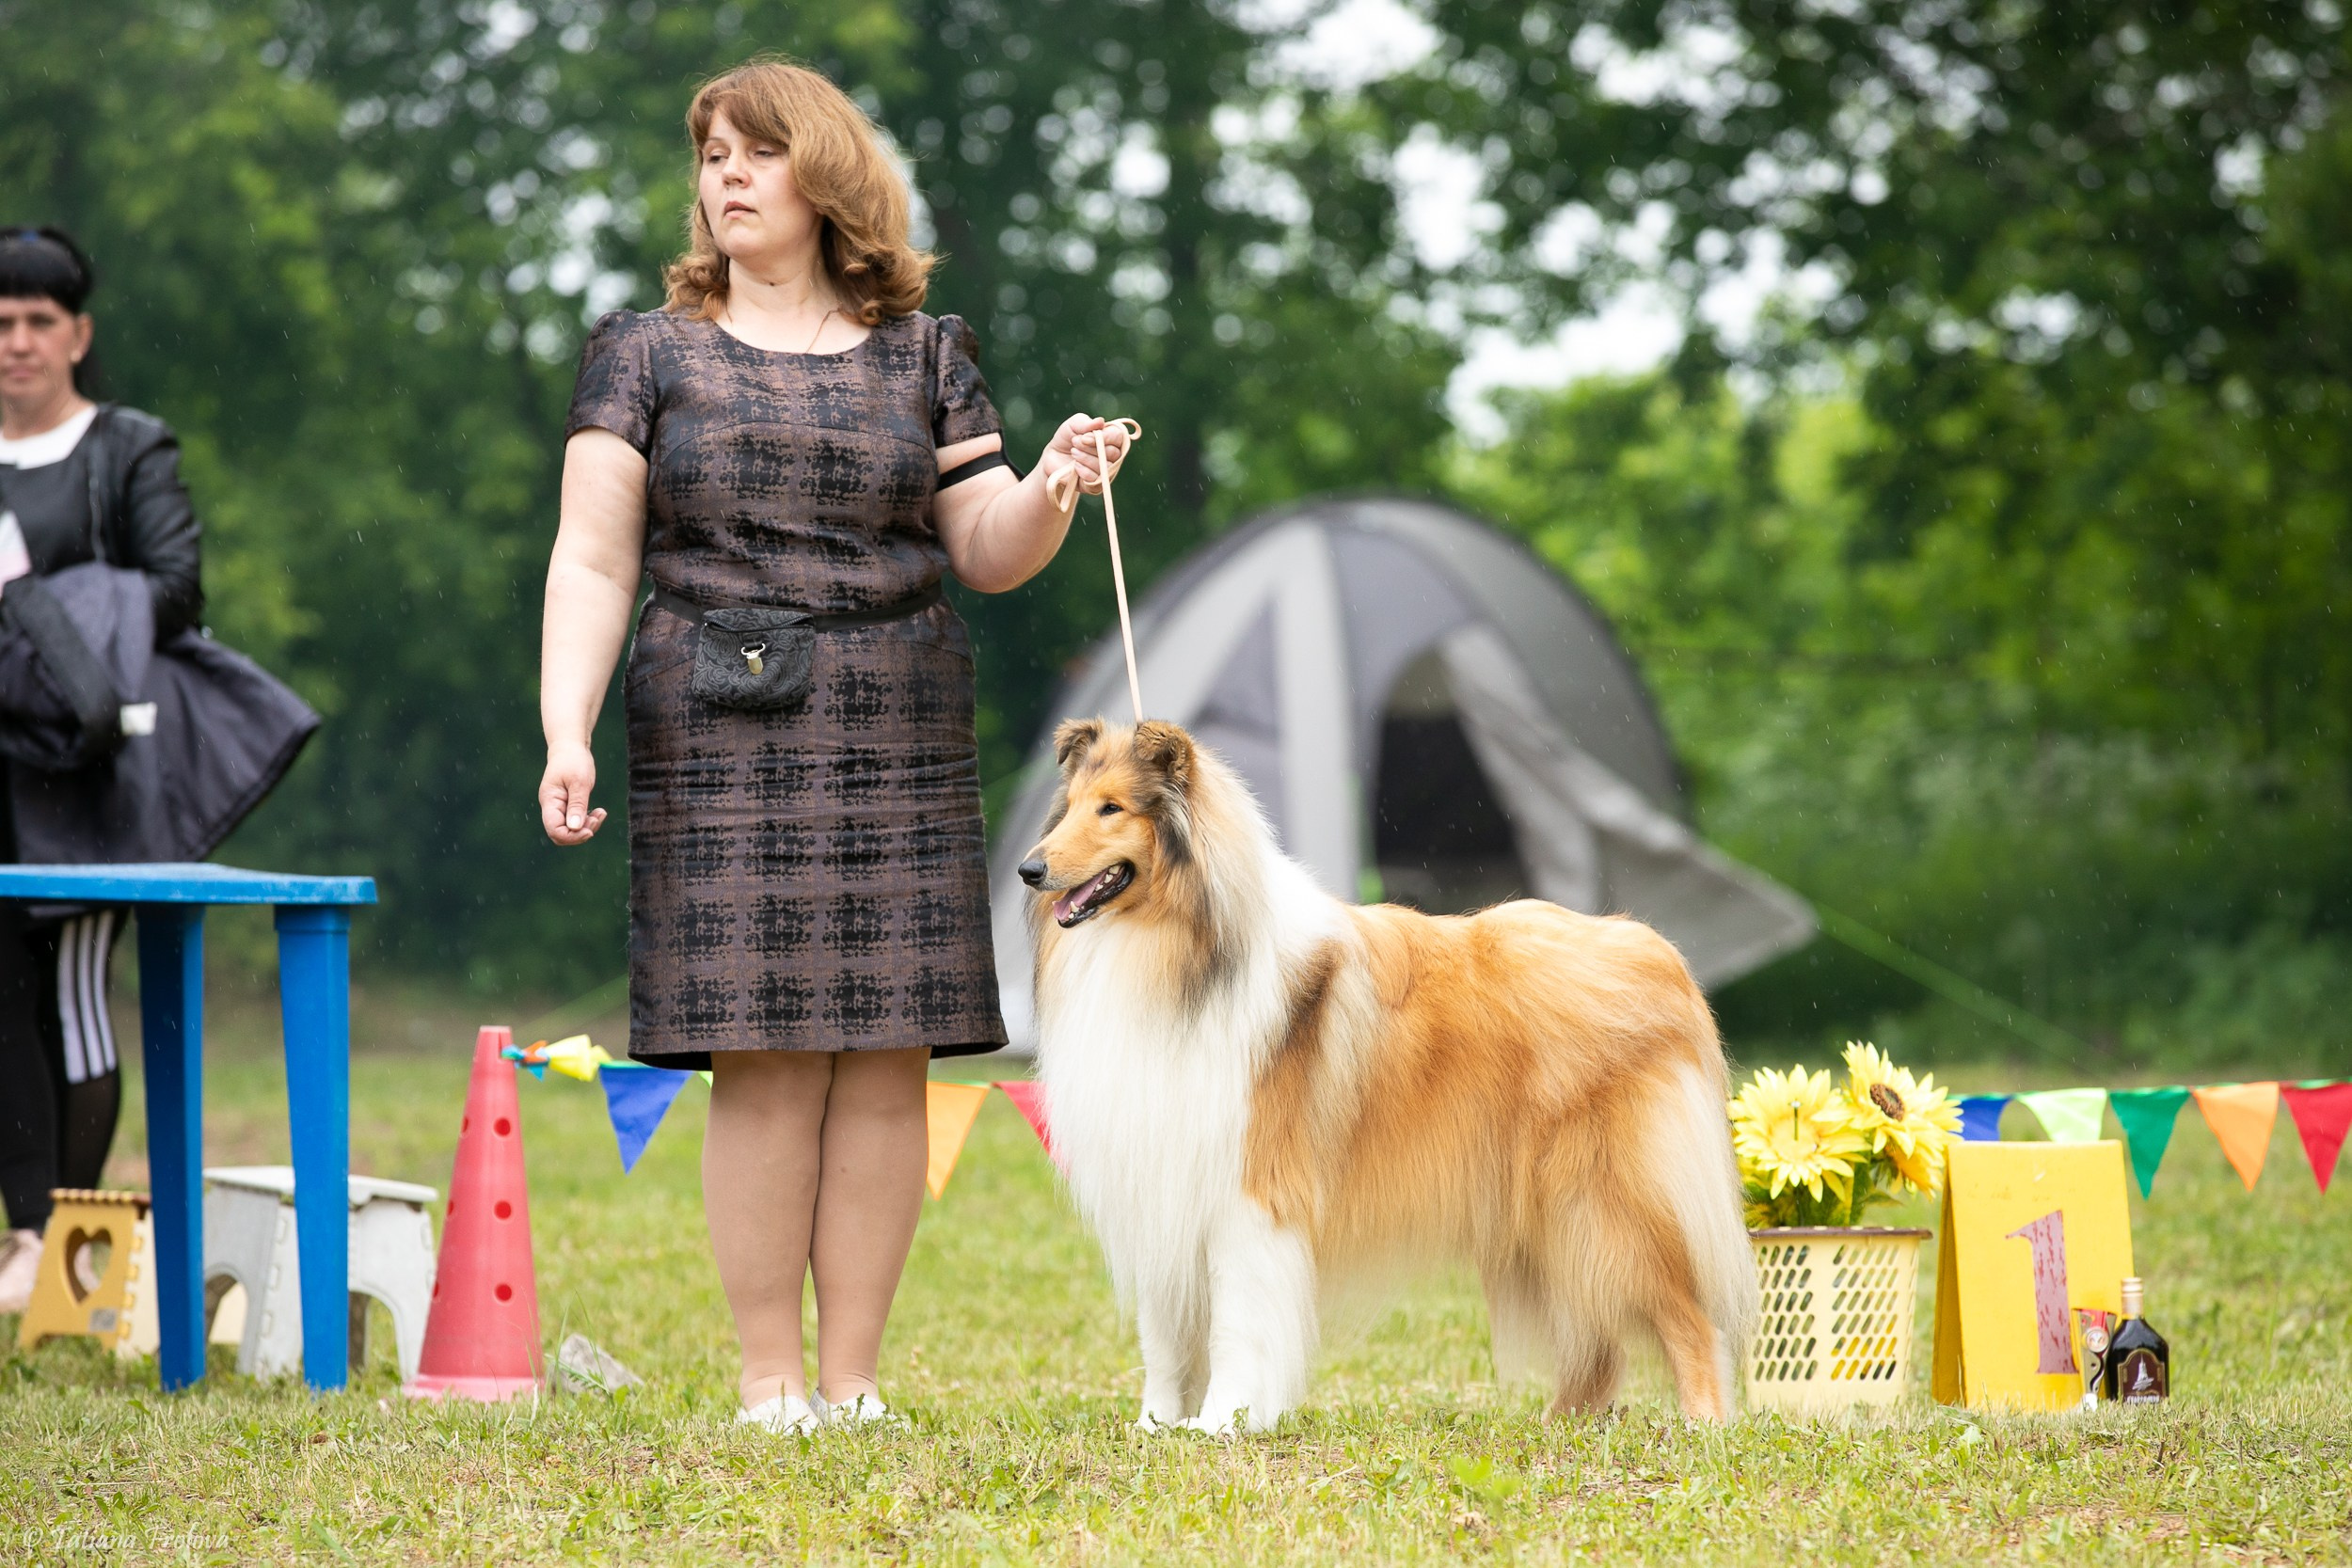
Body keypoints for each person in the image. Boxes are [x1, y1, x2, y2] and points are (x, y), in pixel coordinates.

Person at [539, 58, 1128, 1432]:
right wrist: (566, 725)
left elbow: (982, 547)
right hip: (714, 715)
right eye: (710, 156)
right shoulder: (645, 352)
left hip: (897, 711)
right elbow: (589, 554)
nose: (724, 176)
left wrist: (1047, 483)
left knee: (886, 1054)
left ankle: (853, 1382)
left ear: (826, 177)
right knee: (760, 1052)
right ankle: (769, 1380)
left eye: (755, 152)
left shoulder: (927, 351)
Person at [0, 227, 202, 1310]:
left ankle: (61, 1247)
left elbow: (177, 590)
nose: (18, 342)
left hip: (81, 776)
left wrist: (38, 592)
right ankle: (25, 1235)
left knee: (71, 999)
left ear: (78, 332)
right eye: (0, 323)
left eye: (39, 321)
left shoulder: (127, 448)